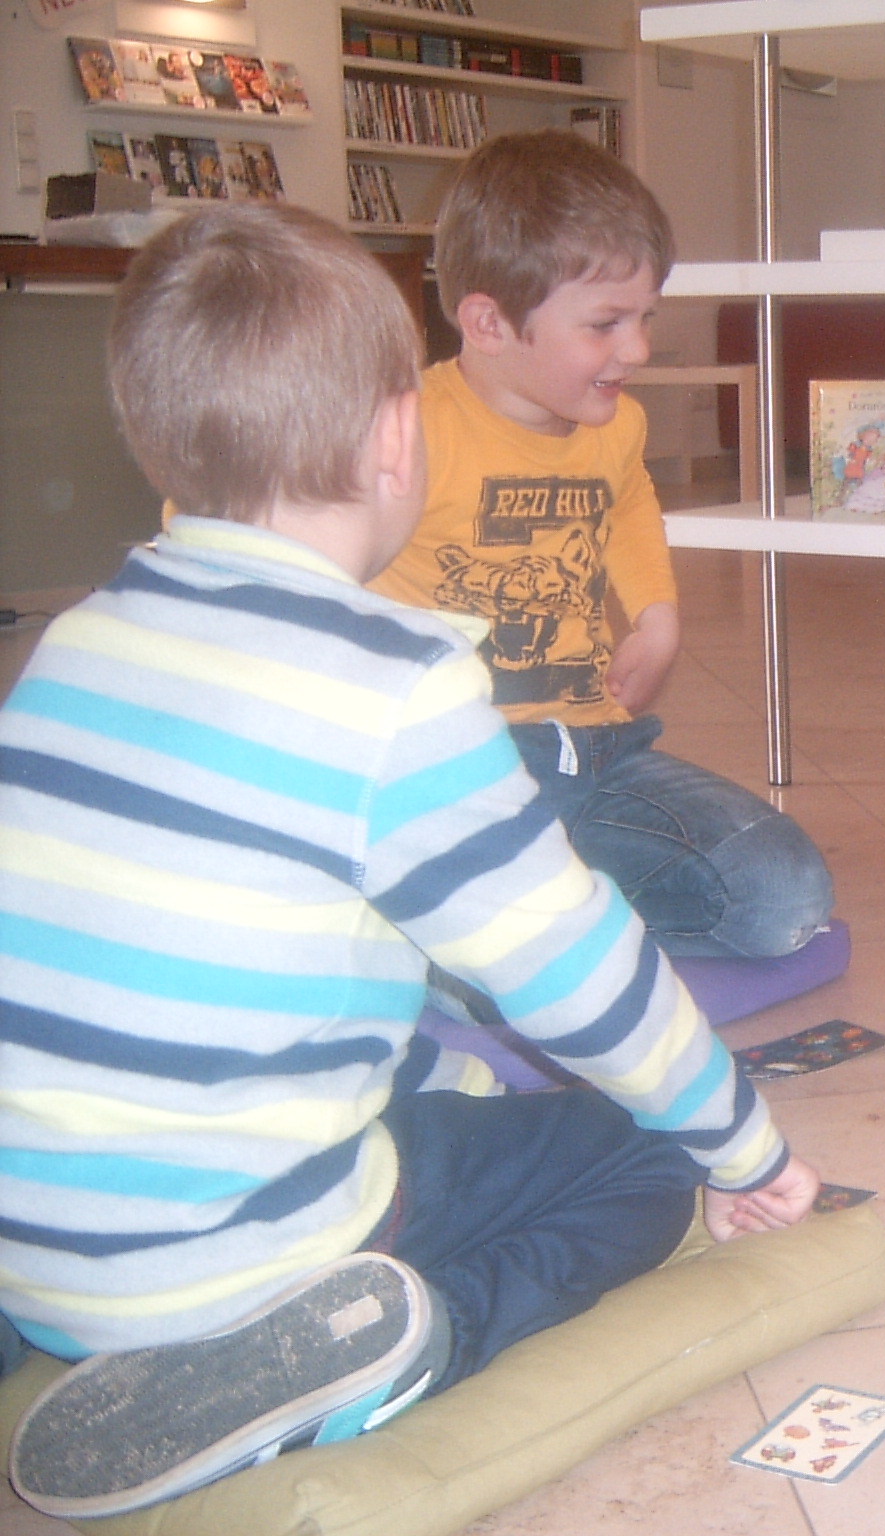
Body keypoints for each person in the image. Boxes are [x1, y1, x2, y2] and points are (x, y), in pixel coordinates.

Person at [0, 204, 820, 1520]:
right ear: (399, 436)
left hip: (40, 1254)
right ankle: (398, 1348)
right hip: (244, 1260)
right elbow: (579, 972)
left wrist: (455, 1085)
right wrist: (747, 1149)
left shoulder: (72, 643)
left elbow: (248, 981)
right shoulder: (397, 684)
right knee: (640, 1156)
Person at [370, 130, 833, 966]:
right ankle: (483, 921)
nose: (638, 349)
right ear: (488, 322)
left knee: (785, 898)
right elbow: (261, 513)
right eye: (605, 323)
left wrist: (658, 616)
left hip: (594, 755)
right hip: (453, 771)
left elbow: (627, 504)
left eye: (645, 317)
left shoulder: (616, 428)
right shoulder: (404, 431)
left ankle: (512, 921)